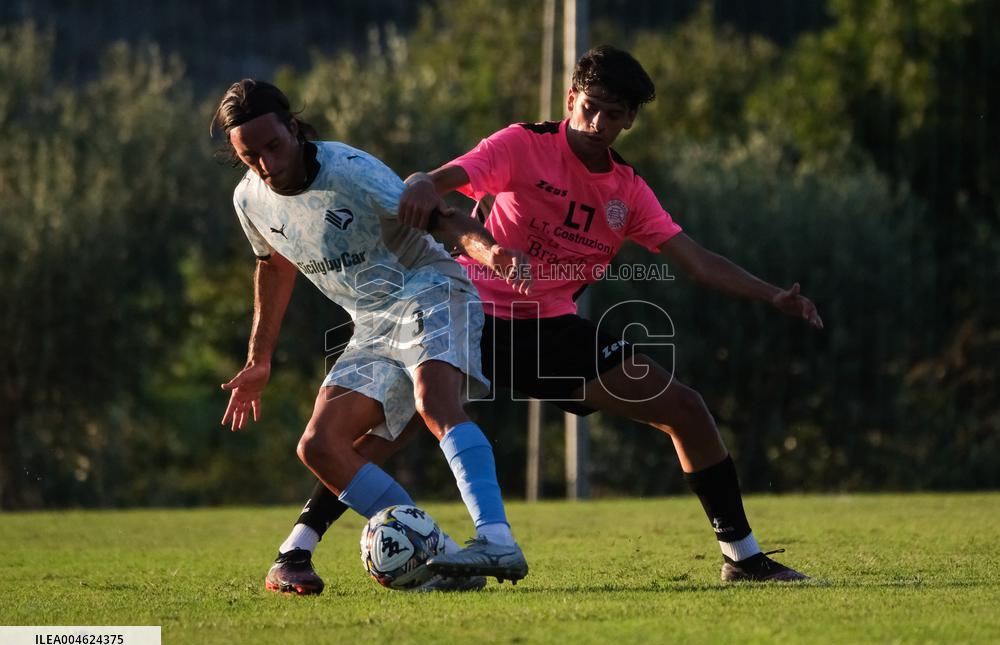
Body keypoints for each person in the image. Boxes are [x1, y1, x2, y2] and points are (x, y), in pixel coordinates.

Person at [267, 45, 823, 594]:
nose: (598, 122)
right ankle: (297, 549)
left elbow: (696, 261)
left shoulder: (627, 192)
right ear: (571, 98)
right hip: (467, 308)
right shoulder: (523, 145)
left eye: (615, 113)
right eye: (591, 106)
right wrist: (417, 183)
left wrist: (773, 295)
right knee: (393, 428)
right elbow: (441, 180)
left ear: (631, 119)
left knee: (686, 409)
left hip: (546, 330)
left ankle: (742, 558)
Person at [211, 79, 532, 593]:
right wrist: (259, 359)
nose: (266, 164)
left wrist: (490, 253)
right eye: (251, 156)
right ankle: (442, 560)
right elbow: (273, 267)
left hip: (430, 287)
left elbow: (442, 220)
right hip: (373, 322)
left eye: (273, 146)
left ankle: (497, 539)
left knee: (434, 400)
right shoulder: (249, 200)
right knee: (320, 445)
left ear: (293, 129)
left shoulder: (350, 172)